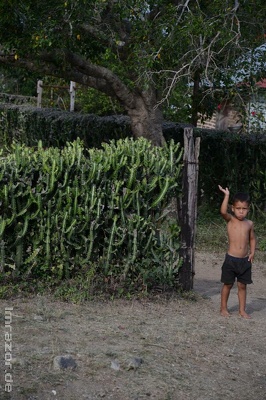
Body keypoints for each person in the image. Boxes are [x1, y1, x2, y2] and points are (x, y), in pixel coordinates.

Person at [218, 185, 256, 319]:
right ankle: (223, 308)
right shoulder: (231, 219)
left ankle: (242, 310)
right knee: (228, 284)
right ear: (233, 209)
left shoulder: (249, 224)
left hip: (244, 261)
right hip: (231, 260)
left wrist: (252, 252)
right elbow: (223, 211)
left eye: (244, 209)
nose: (241, 212)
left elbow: (252, 239)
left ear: (248, 209)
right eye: (238, 209)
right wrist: (226, 196)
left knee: (242, 286)